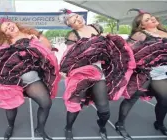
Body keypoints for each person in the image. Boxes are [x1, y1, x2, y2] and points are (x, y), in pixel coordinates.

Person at [0, 18, 61, 140]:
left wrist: (37, 41)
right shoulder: (6, 45)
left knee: (46, 103)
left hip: (31, 78)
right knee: (10, 106)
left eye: (9, 24)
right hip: (10, 80)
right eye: (5, 29)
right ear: (5, 34)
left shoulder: (34, 35)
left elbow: (48, 51)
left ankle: (40, 129)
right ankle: (10, 126)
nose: (9, 27)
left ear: (14, 23)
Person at [58, 9, 135, 140]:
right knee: (74, 104)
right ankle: (68, 127)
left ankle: (102, 126)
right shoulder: (73, 34)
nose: (78, 20)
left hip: (99, 70)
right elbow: (70, 54)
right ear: (70, 25)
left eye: (77, 17)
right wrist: (64, 69)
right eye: (73, 21)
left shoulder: (96, 27)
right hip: (81, 71)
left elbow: (107, 46)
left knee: (104, 109)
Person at [115, 9, 167, 140]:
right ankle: (120, 124)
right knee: (131, 99)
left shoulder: (164, 32)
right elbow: (126, 51)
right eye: (147, 20)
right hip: (145, 73)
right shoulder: (141, 33)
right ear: (142, 25)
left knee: (164, 100)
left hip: (161, 73)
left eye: (151, 17)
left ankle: (159, 124)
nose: (151, 19)